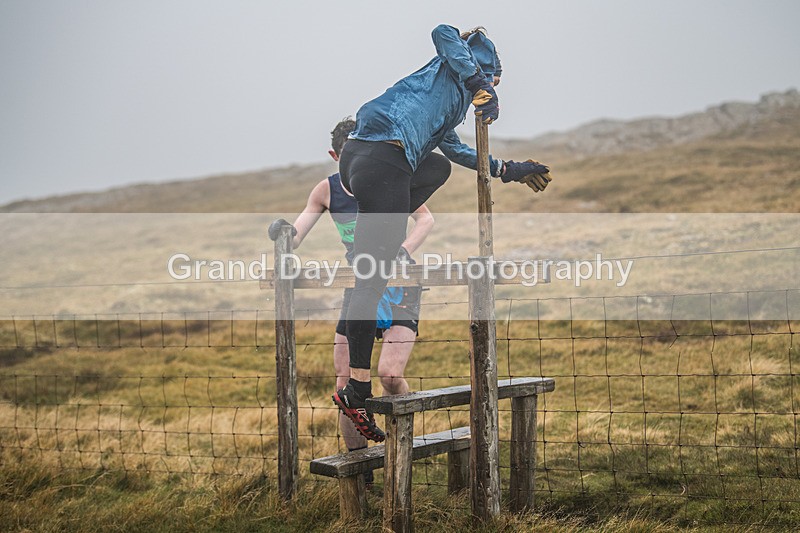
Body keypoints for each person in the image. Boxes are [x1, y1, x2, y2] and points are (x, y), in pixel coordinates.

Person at [332, 25, 553, 442]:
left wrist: (508, 171)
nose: (488, 90)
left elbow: (455, 150)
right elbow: (443, 31)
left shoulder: (446, 106)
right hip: (382, 154)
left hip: (375, 160)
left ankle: (381, 234)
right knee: (371, 279)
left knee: (438, 167)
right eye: (493, 79)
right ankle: (357, 390)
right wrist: (479, 82)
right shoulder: (451, 69)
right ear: (480, 69)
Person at [268, 118, 434, 451]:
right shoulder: (326, 190)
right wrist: (283, 234)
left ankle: (403, 451)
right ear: (335, 156)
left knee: (388, 374)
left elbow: (426, 218)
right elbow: (296, 235)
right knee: (345, 382)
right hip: (358, 287)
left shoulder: (391, 178)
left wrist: (403, 250)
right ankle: (361, 472)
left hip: (400, 285)